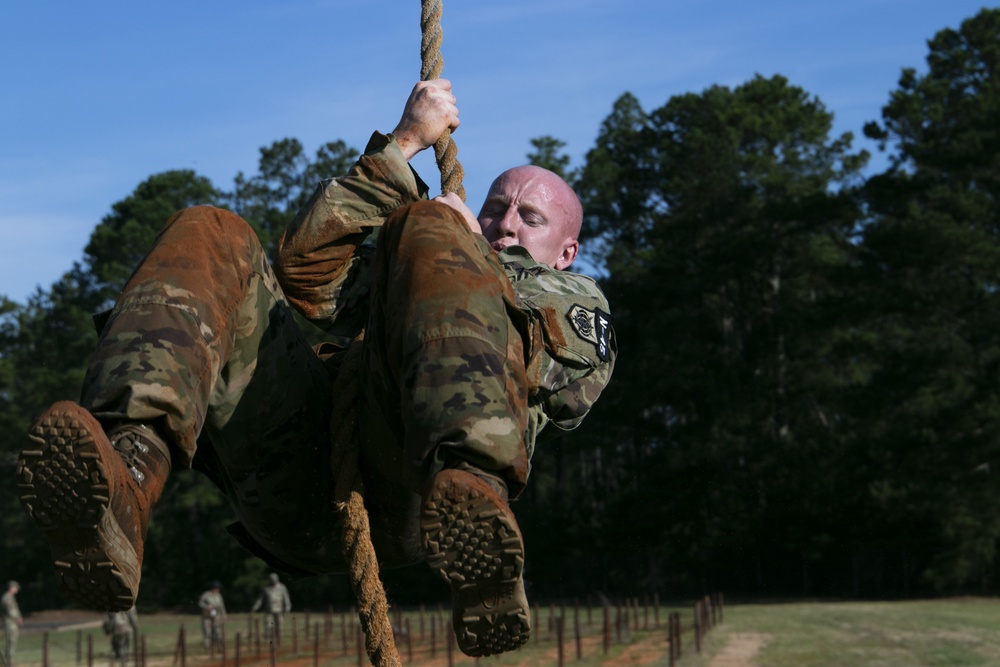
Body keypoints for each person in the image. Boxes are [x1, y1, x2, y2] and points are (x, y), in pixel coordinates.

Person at [17, 78, 615, 658]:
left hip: (419, 491)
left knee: (424, 223)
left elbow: (562, 383)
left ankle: (480, 532)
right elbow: (305, 272)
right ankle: (127, 484)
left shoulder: (574, 297)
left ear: (566, 251)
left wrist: (459, 253)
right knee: (210, 231)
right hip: (294, 475)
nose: (504, 223)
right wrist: (403, 146)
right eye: (493, 210)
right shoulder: (424, 250)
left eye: (530, 218)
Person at [251, 573, 291, 645]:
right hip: (269, 610)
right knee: (268, 625)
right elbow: (260, 599)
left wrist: (288, 606)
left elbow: (286, 598)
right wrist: (256, 606)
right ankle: (267, 640)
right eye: (272, 580)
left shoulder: (282, 588)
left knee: (279, 625)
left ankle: (279, 639)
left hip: (279, 609)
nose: (273, 581)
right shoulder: (266, 589)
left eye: (274, 579)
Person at [198, 582, 226, 650]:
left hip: (217, 615)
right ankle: (207, 647)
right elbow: (200, 603)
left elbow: (222, 606)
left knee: (218, 631)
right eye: (216, 588)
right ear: (212, 588)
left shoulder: (219, 596)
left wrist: (224, 615)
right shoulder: (206, 595)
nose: (217, 590)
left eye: (218, 588)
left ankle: (220, 646)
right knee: (208, 632)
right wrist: (206, 606)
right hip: (207, 616)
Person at [1, 581, 22, 667]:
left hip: (11, 622)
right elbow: (10, 610)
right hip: (10, 622)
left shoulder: (10, 597)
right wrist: (17, 618)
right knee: (11, 639)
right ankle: (9, 661)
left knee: (12, 640)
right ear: (11, 587)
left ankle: (9, 660)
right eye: (15, 588)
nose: (16, 590)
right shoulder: (7, 598)